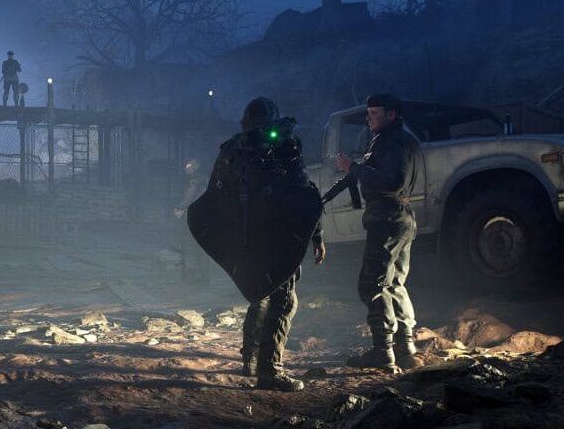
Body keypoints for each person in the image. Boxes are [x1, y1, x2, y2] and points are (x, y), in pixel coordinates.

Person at [209, 97, 326, 391]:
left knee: (259, 294)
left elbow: (215, 196)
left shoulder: (232, 149)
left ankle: (250, 361)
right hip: (279, 237)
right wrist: (316, 235)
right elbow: (304, 193)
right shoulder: (285, 144)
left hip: (247, 238)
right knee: (283, 300)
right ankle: (270, 371)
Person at [337, 93, 423, 371]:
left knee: (373, 284)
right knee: (394, 283)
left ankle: (383, 350)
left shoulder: (394, 142)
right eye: (369, 112)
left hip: (387, 216)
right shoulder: (396, 140)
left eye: (375, 113)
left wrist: (354, 168)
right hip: (397, 216)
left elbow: (392, 181)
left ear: (392, 114)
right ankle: (405, 347)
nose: (369, 118)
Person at [174, 158, 210, 283]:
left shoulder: (194, 180)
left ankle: (194, 276)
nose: (187, 167)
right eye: (186, 165)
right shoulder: (205, 179)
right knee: (201, 248)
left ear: (197, 166)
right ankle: (203, 277)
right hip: (205, 217)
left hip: (196, 217)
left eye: (190, 165)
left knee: (193, 246)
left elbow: (189, 197)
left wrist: (179, 208)